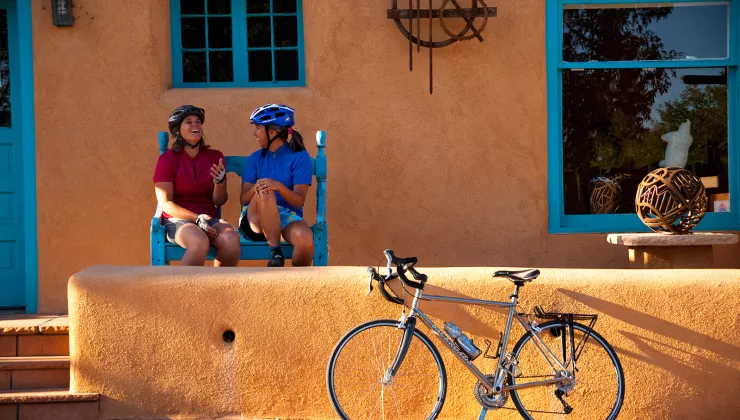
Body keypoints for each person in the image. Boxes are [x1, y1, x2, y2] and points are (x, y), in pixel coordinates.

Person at [153, 105, 240, 266]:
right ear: (177, 131)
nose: (195, 125)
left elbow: (220, 200)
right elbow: (166, 204)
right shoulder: (167, 159)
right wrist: (196, 218)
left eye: (198, 122)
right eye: (189, 122)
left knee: (231, 240)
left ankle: (220, 288)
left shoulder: (215, 156)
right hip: (178, 220)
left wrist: (219, 183)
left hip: (209, 218)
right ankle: (183, 290)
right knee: (199, 242)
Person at [239, 104, 314, 267]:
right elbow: (243, 198)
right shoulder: (255, 158)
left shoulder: (300, 157)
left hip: (286, 216)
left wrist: (278, 186)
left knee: (306, 239)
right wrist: (258, 187)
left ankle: (299, 285)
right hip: (255, 219)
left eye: (258, 128)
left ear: (271, 132)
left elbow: (299, 201)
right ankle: (276, 253)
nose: (254, 133)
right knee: (266, 192)